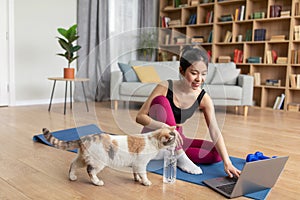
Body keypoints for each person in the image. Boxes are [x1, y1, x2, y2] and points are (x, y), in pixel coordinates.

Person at [136, 45, 241, 178]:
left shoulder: (204, 98)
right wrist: (164, 127)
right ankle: (178, 154)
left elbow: (214, 130)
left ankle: (167, 152)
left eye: (203, 74)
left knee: (216, 154)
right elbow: (140, 117)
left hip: (178, 138)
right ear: (182, 70)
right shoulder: (165, 86)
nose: (199, 79)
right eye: (194, 73)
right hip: (154, 135)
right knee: (161, 100)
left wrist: (228, 163)